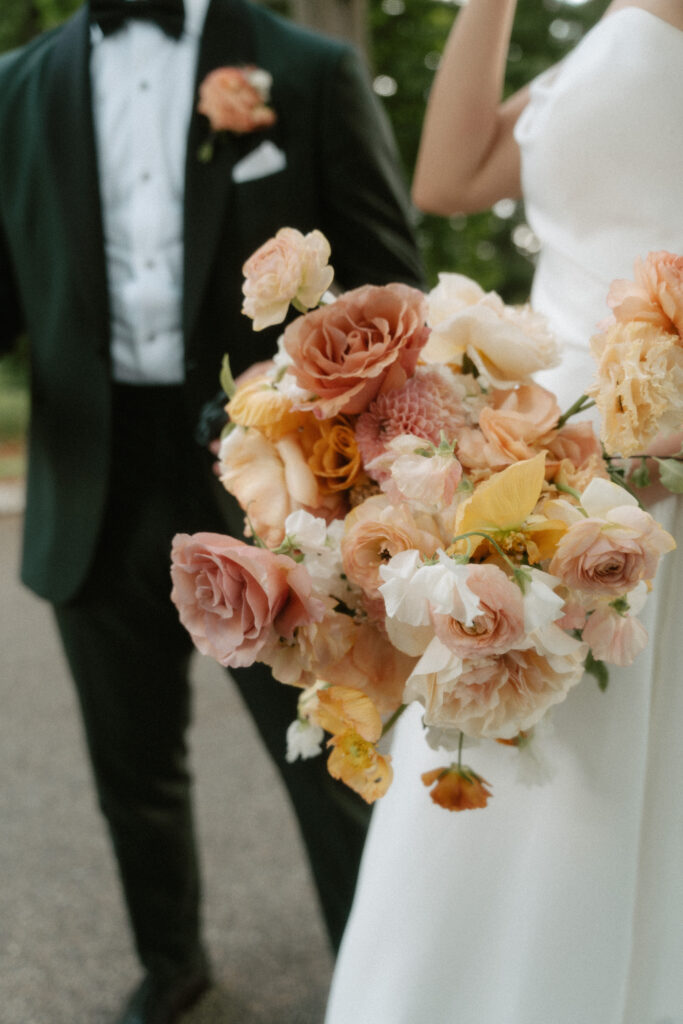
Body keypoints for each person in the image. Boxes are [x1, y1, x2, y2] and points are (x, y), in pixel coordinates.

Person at [0, 1, 424, 1021]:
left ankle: (382, 987)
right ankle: (172, 960)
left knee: (331, 758)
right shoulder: (13, 90)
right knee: (131, 765)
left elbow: (387, 284)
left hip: (275, 478)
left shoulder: (307, 71)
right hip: (89, 477)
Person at [324, 2, 683, 1023]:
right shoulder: (615, 24)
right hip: (524, 458)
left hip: (637, 463)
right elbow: (448, 176)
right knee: (482, 752)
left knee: (591, 773)